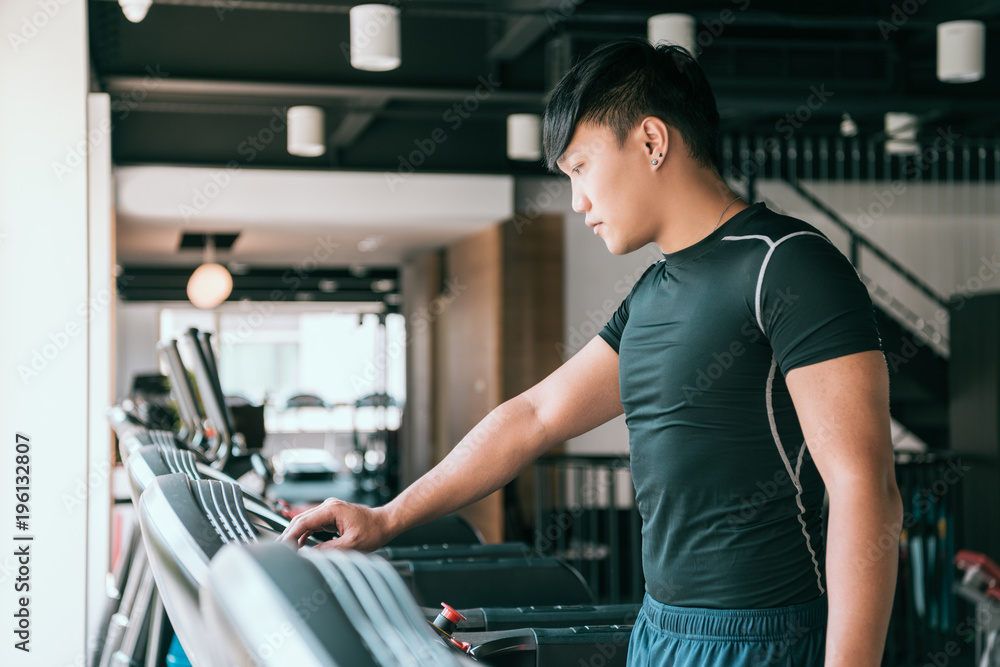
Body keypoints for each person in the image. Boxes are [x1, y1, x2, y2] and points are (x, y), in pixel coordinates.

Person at [282, 37, 903, 666]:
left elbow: (864, 486)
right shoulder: (654, 291)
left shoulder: (787, 263)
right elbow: (534, 417)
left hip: (765, 637)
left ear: (652, 142)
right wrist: (387, 518)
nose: (577, 202)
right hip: (661, 629)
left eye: (581, 167)